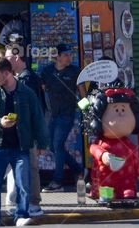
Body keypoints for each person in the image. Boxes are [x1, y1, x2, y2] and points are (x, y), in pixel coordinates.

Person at [0, 58, 48, 228]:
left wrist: (42, 143)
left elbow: (38, 118)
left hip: (20, 146)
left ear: (7, 73)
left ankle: (21, 215)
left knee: (23, 184)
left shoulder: (27, 92)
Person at [39, 44, 86, 191]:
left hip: (67, 114)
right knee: (53, 147)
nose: (69, 57)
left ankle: (57, 182)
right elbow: (42, 91)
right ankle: (78, 170)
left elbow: (82, 94)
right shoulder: (47, 71)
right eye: (65, 55)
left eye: (70, 54)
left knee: (58, 145)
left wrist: (86, 110)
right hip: (52, 115)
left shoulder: (75, 71)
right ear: (57, 56)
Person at [5, 42, 43, 217]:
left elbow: (27, 108)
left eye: (7, 57)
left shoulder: (26, 79)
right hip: (25, 130)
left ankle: (34, 203)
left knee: (30, 167)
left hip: (28, 131)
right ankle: (27, 201)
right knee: (24, 166)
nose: (5, 61)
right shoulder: (24, 77)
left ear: (16, 57)